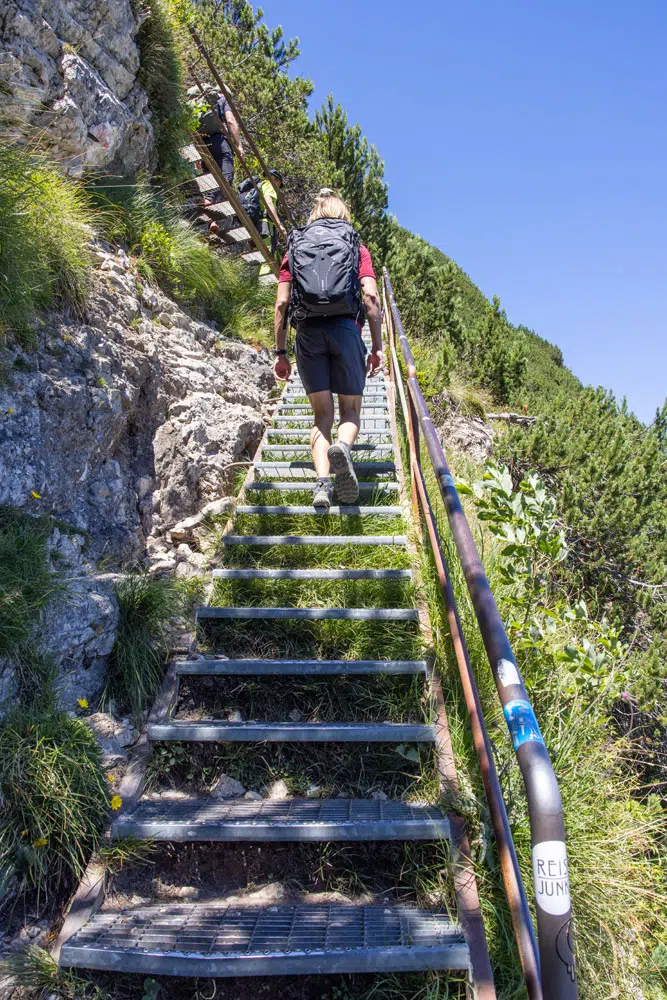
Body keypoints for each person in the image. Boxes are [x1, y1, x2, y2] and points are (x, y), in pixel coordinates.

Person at [273, 189, 383, 509]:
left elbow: (281, 303)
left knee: (322, 415)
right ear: (344, 215)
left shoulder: (295, 249)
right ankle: (344, 449)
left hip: (307, 333)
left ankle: (322, 485)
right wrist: (376, 347)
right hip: (347, 330)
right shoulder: (356, 247)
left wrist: (280, 354)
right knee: (350, 411)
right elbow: (372, 299)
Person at [189, 85, 243, 188]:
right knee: (226, 178)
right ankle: (212, 200)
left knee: (209, 180)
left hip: (201, 143)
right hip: (219, 142)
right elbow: (230, 121)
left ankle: (207, 200)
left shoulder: (200, 100)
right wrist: (239, 145)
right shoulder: (223, 99)